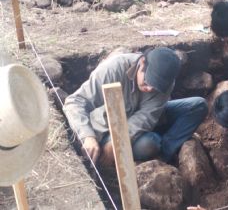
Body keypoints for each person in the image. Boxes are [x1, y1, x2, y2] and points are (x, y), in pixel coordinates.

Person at [63, 47, 208, 166]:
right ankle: (152, 147)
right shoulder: (113, 69)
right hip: (109, 128)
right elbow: (74, 101)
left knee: (198, 105)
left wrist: (118, 142)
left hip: (144, 123)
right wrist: (88, 136)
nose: (150, 89)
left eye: (155, 87)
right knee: (149, 144)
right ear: (142, 63)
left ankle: (163, 156)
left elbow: (146, 117)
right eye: (147, 82)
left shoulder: (166, 81)